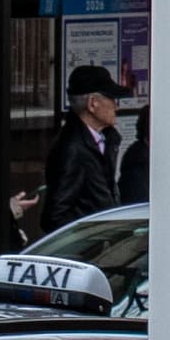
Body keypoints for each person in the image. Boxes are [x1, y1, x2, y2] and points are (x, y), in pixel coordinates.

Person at [14, 68, 126, 235]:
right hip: (90, 249)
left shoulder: (105, 139)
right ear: (93, 103)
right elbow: (54, 217)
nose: (116, 106)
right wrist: (89, 240)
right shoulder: (72, 149)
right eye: (112, 99)